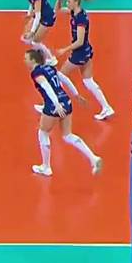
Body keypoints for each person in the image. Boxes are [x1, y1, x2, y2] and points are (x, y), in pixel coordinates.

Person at [26, 48, 102, 177]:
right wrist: (76, 94)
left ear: (33, 60)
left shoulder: (36, 73)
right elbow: (65, 79)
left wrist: (56, 103)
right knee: (68, 135)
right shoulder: (50, 68)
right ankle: (93, 158)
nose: (25, 60)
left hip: (54, 105)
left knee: (43, 133)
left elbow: (46, 87)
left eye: (26, 58)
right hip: (66, 101)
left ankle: (46, 167)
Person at [54, 0, 115, 120]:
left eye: (69, 1)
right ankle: (107, 108)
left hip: (80, 53)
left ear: (76, 2)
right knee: (88, 81)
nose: (67, 3)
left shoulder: (80, 19)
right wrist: (59, 1)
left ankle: (54, 104)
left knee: (59, 76)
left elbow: (79, 41)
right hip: (86, 51)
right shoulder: (75, 12)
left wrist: (64, 50)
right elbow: (58, 10)